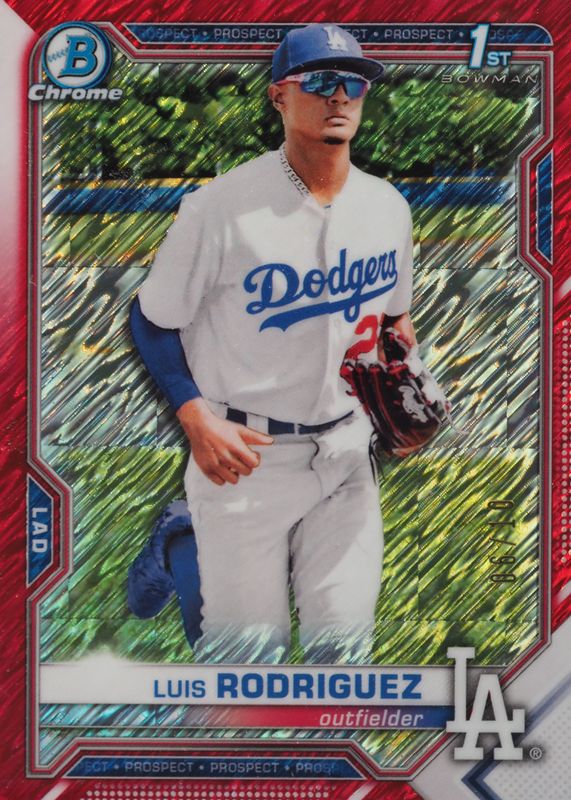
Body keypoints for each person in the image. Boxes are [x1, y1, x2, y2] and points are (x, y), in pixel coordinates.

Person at [128, 23, 417, 664]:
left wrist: (407, 387)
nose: (339, 95)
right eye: (320, 81)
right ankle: (182, 546)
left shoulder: (388, 207)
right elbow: (152, 319)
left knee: (341, 661)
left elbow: (395, 321)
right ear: (278, 96)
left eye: (353, 83)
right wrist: (195, 417)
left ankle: (189, 540)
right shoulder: (220, 208)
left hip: (347, 454)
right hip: (244, 457)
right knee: (246, 667)